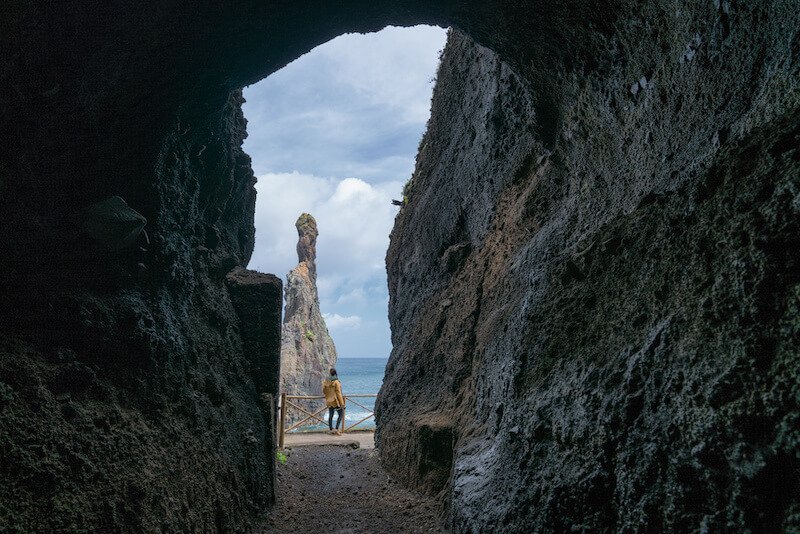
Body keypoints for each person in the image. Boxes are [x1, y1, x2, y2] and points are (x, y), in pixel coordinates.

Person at [322, 368, 345, 434]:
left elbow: (324, 391)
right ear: (335, 373)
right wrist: (342, 403)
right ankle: (336, 429)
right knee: (341, 414)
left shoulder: (326, 381)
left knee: (330, 415)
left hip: (329, 401)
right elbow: (338, 393)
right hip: (335, 401)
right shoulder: (336, 382)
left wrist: (328, 396)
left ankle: (331, 429)